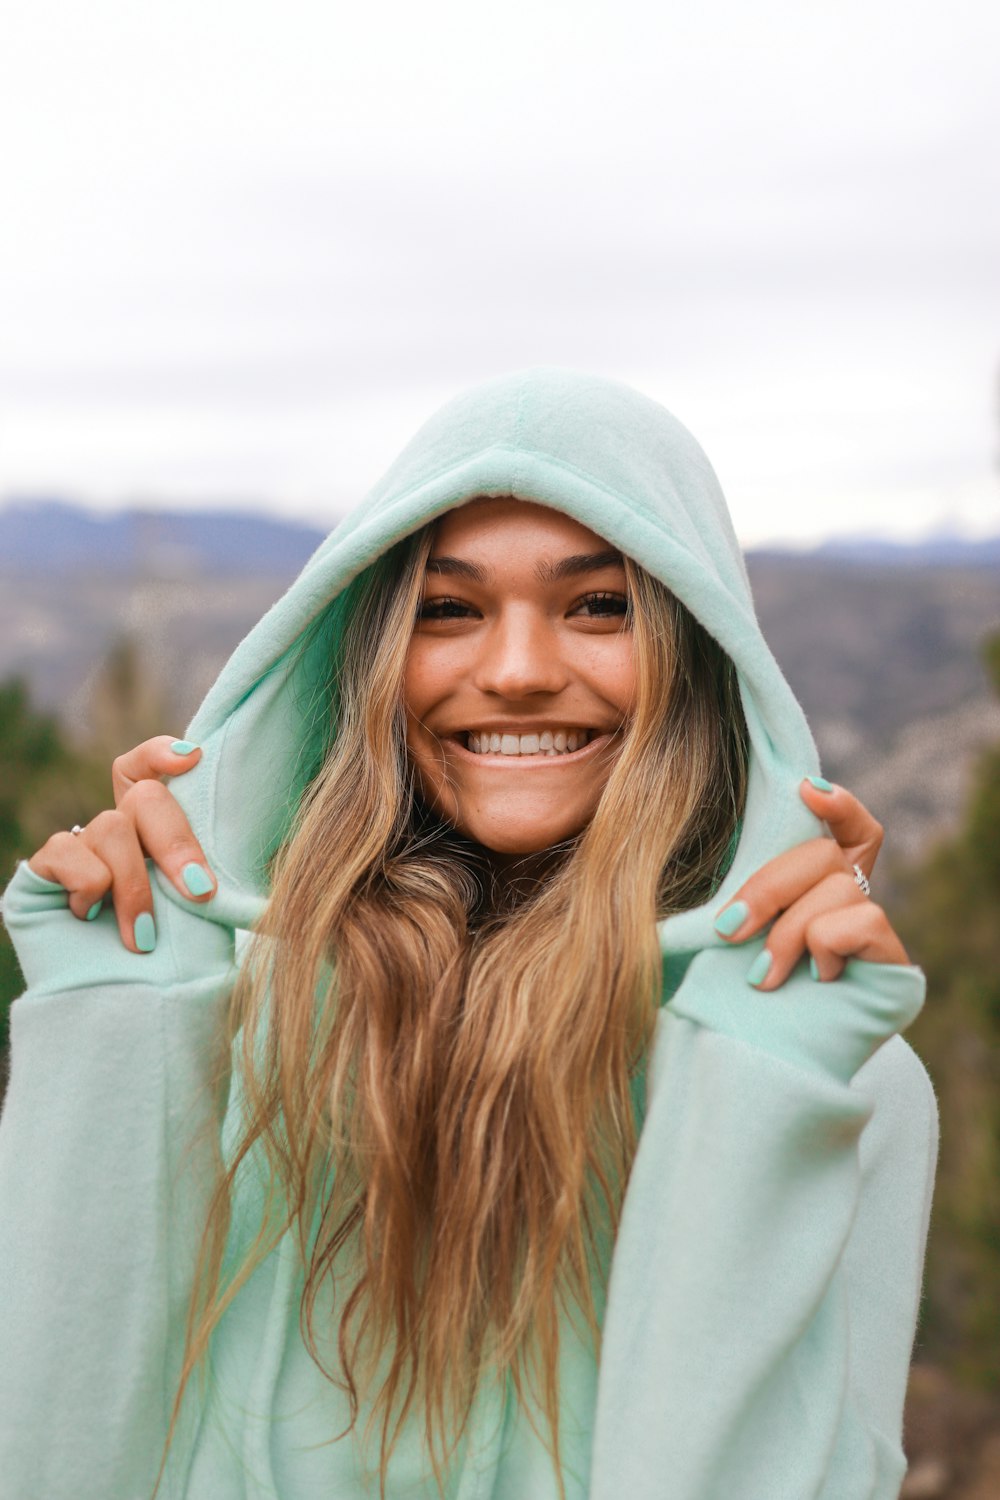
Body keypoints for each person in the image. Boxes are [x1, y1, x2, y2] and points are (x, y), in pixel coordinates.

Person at [0, 368, 938, 1500]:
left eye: (600, 606)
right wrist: (114, 1023)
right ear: (366, 657)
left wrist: (756, 1084)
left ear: (701, 656)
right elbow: (65, 1457)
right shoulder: (230, 1018)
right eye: (448, 609)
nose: (517, 671)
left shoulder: (838, 1080)